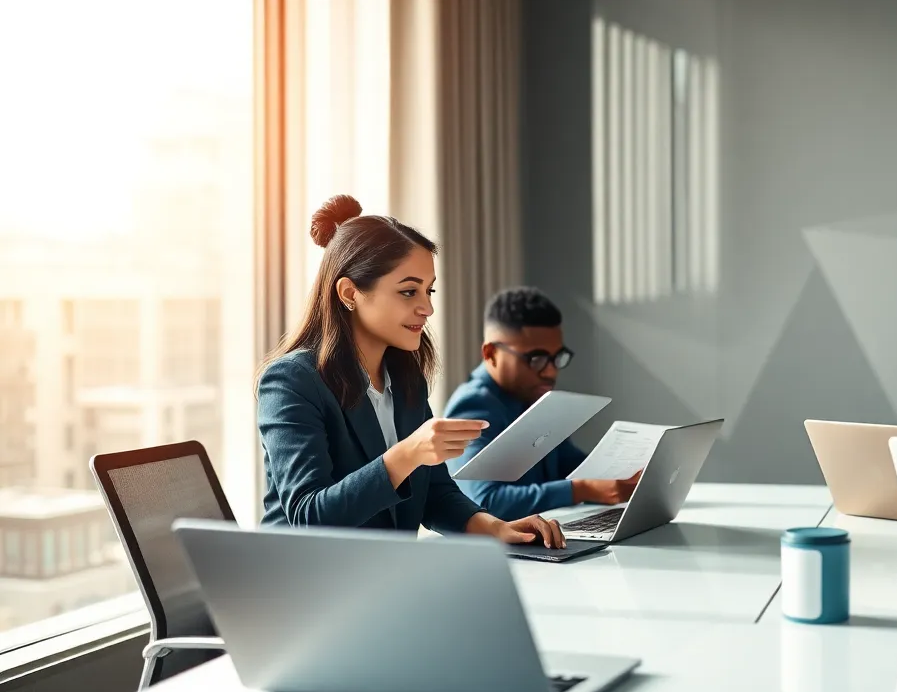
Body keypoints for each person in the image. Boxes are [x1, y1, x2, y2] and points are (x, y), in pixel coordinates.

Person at [256, 195, 565, 548]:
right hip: (304, 583)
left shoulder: (405, 380)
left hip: (383, 577)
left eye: (428, 290)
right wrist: (408, 453)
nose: (428, 307)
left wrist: (498, 528)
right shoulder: (291, 382)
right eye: (408, 291)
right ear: (349, 293)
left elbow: (435, 494)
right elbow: (309, 516)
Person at [443, 287, 638, 520]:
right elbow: (483, 502)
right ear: (491, 353)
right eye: (536, 359)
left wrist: (625, 471)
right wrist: (582, 489)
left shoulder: (533, 397)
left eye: (557, 357)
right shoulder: (472, 406)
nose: (550, 371)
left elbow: (572, 466)